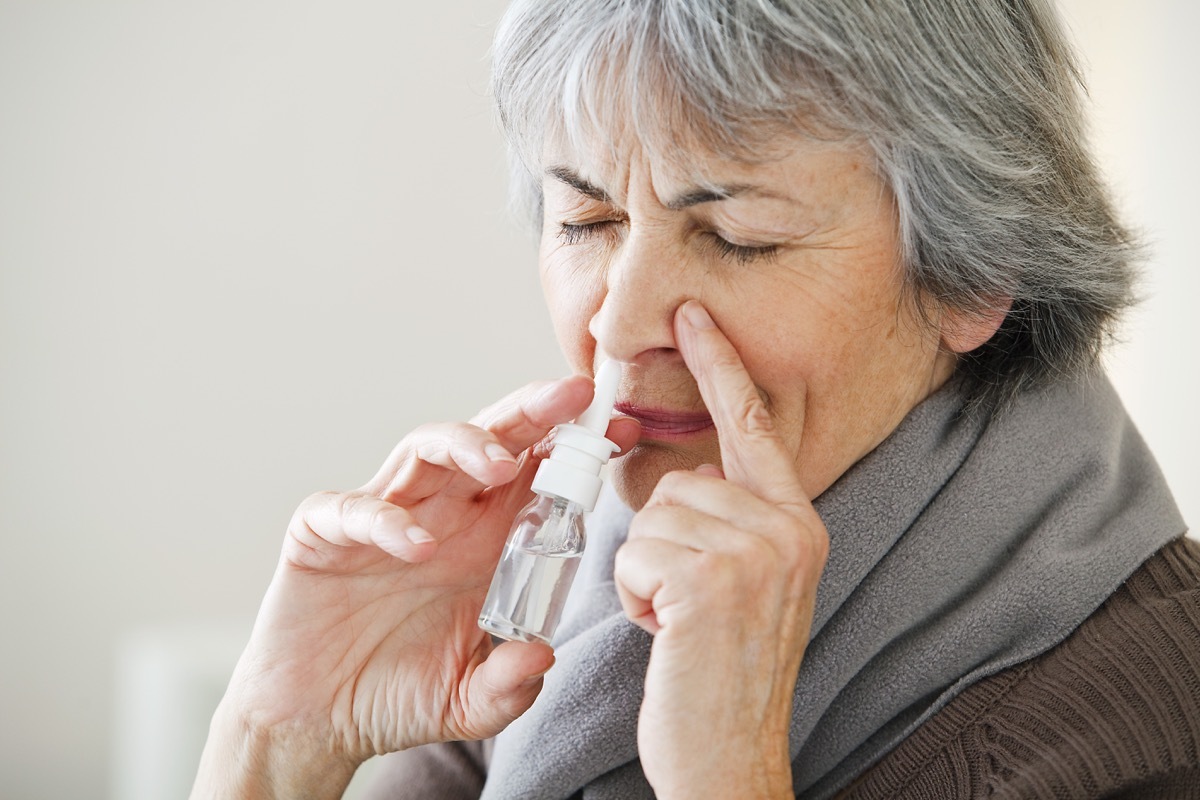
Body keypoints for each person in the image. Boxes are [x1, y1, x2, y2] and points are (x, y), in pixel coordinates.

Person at [191, 1, 1199, 798]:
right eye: (585, 219)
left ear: (978, 271)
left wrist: (729, 776)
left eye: (738, 237)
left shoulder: (1153, 714)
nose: (620, 325)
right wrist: (276, 741)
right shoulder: (560, 619)